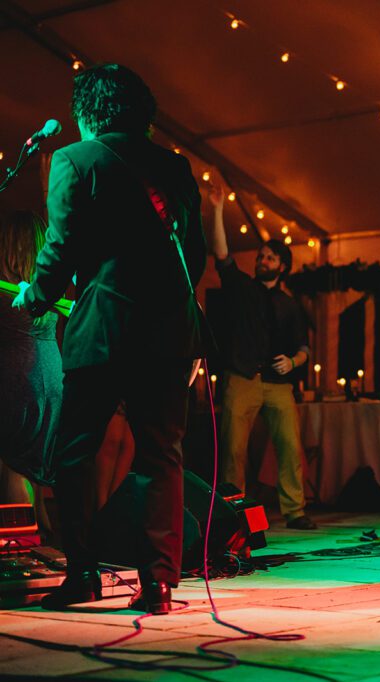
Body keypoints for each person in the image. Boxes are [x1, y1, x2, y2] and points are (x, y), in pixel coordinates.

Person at [13, 64, 208, 613]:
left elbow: (62, 247)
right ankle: (159, 584)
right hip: (169, 333)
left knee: (73, 455)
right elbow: (194, 255)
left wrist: (34, 296)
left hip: (103, 332)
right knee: (161, 456)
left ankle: (82, 574)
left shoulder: (75, 159)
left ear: (88, 110)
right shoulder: (175, 165)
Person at [207, 185, 316, 530]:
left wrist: (294, 363)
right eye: (260, 256)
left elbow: (304, 348)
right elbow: (222, 255)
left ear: (282, 267)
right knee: (234, 452)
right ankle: (233, 514)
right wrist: (218, 210)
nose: (261, 260)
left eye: (269, 258)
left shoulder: (290, 304)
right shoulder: (242, 288)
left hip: (278, 383)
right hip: (242, 377)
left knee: (289, 446)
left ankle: (295, 510)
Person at [0, 211, 62, 514]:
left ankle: (19, 544)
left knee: (11, 464)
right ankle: (38, 534)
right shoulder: (45, 285)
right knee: (29, 463)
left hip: (19, 376)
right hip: (49, 376)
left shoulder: (7, 290)